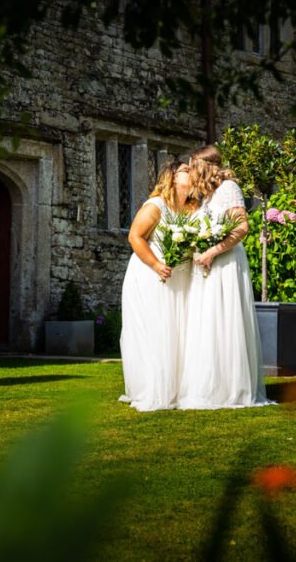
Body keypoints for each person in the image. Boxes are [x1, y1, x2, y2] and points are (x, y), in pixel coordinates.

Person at [177, 145, 271, 409]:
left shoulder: (229, 189)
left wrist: (213, 252)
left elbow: (242, 227)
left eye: (192, 167)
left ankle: (231, 387)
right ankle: (210, 386)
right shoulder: (207, 197)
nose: (190, 172)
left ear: (203, 167)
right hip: (207, 264)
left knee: (224, 320)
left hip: (226, 263)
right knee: (207, 322)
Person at [119, 161, 196, 412]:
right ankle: (152, 388)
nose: (192, 172)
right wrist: (155, 264)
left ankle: (177, 389)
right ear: (172, 178)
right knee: (156, 330)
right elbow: (134, 236)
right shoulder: (156, 206)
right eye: (186, 169)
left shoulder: (190, 207)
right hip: (151, 276)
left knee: (177, 332)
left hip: (178, 278)